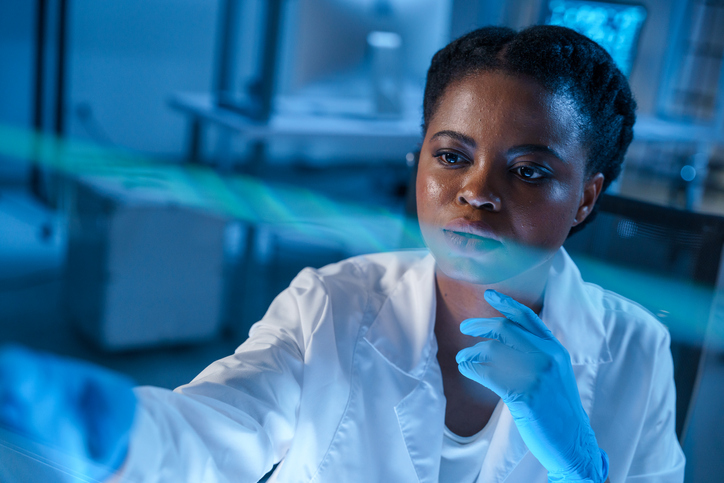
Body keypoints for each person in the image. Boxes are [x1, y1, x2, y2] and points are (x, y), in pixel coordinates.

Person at [0, 25, 685, 482]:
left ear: (588, 197)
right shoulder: (333, 303)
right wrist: (110, 423)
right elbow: (211, 428)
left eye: (529, 169)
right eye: (452, 156)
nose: (476, 193)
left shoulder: (637, 350)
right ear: (419, 165)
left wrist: (580, 464)